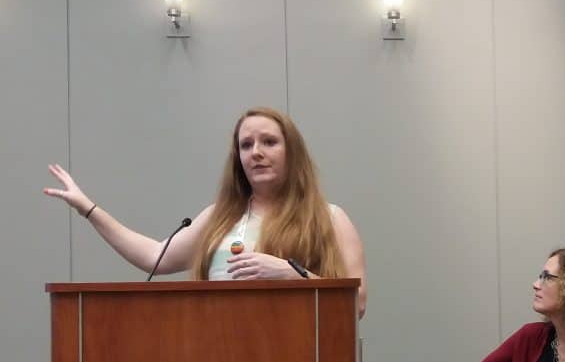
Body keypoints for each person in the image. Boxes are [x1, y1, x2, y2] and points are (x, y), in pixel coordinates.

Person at [43, 107, 367, 317]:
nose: (256, 152)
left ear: (292, 152)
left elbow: (358, 304)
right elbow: (155, 257)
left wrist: (290, 275)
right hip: (218, 357)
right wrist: (88, 209)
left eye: (269, 142)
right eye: (246, 145)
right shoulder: (219, 218)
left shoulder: (331, 218)